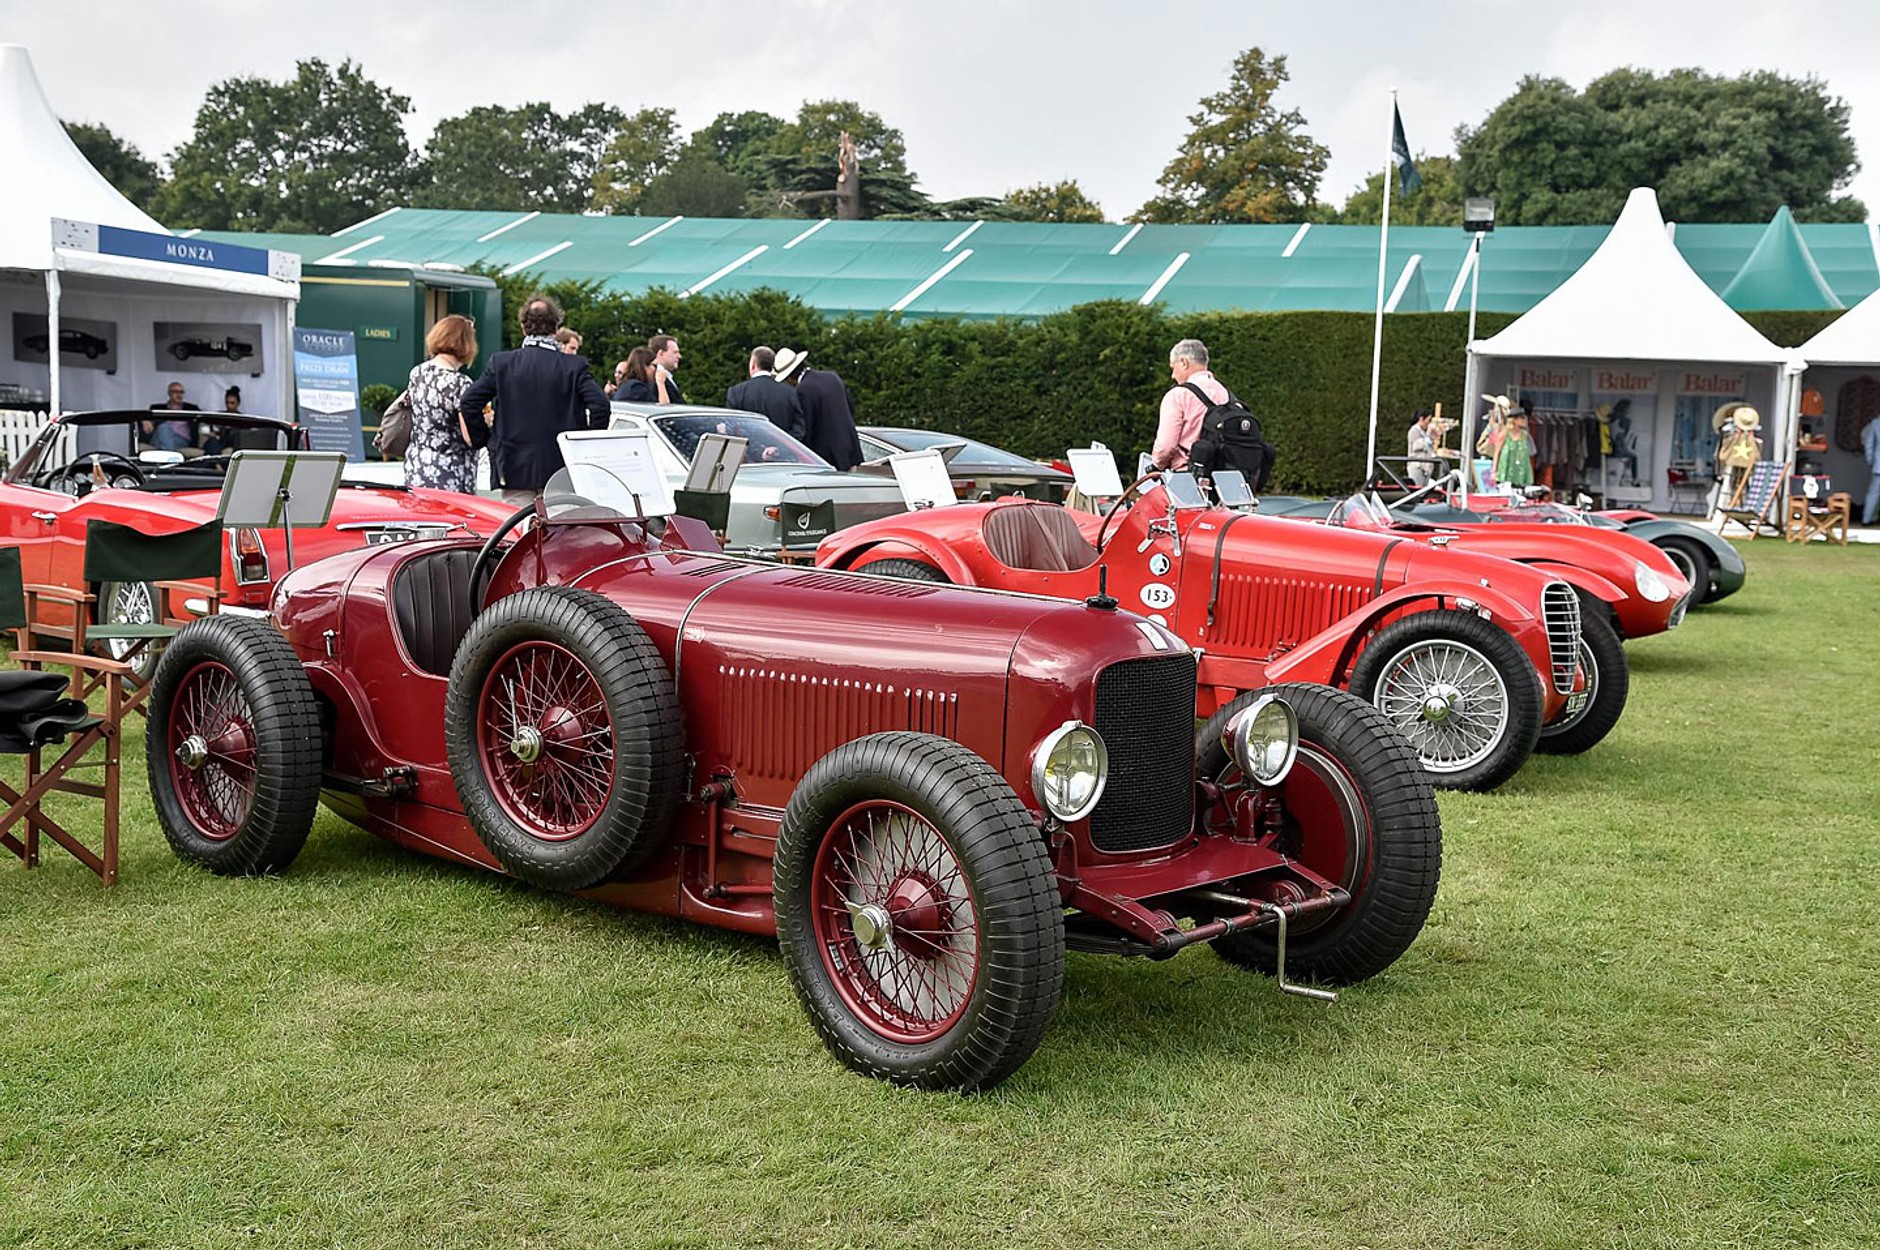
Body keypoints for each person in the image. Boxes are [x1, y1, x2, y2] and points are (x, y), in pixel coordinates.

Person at [458, 295, 609, 505]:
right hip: (562, 466)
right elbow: (600, 406)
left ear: (522, 327)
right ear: (556, 328)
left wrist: (484, 439)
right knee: (560, 533)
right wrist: (583, 446)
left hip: (513, 466)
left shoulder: (502, 364)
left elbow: (469, 402)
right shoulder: (574, 367)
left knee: (518, 532)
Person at [405, 314, 481, 493]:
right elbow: (469, 436)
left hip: (417, 464)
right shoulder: (460, 383)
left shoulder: (417, 373)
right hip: (450, 470)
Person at [775, 347, 862, 470]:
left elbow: (807, 428)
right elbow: (851, 408)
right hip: (851, 451)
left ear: (789, 378)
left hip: (827, 459)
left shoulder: (803, 390)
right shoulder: (833, 377)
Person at [1151, 339, 1227, 470]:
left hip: (1188, 478)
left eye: (1173, 368)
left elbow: (1165, 446)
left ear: (1184, 363)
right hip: (1226, 477)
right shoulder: (1227, 394)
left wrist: (1157, 465)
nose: (1173, 376)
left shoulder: (1178, 395)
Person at [724, 346, 804, 436]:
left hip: (749, 449)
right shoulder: (790, 393)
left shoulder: (736, 392)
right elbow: (799, 430)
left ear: (753, 364)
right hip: (782, 448)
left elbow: (731, 427)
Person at [143, 381, 199, 451]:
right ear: (169, 393)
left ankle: (165, 457)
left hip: (181, 440)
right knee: (164, 428)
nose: (179, 395)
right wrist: (144, 420)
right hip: (159, 436)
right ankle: (171, 459)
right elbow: (147, 419)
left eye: (181, 392)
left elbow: (205, 418)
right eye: (176, 392)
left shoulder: (191, 408)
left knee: (162, 443)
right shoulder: (157, 408)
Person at [1495, 409, 1536, 489]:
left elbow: (1531, 453)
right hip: (1507, 470)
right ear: (1515, 420)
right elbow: (1497, 452)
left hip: (1521, 470)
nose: (1524, 420)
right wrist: (1494, 471)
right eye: (1522, 418)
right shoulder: (1505, 434)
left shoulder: (1525, 435)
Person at [648, 334, 684, 404]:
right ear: (661, 353)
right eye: (675, 352)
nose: (679, 356)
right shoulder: (652, 376)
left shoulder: (664, 375)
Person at [1406, 408, 1437, 488]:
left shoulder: (1423, 432)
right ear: (1421, 419)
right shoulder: (1414, 430)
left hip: (1426, 467)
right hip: (1417, 466)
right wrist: (1429, 433)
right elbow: (1417, 446)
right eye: (1428, 420)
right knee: (1417, 489)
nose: (1429, 423)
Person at [1863, 411, 1880, 526]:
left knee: (1873, 493)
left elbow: (1869, 444)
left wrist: (1871, 461)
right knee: (1873, 493)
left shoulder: (1876, 423)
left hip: (1878, 465)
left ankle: (1866, 519)